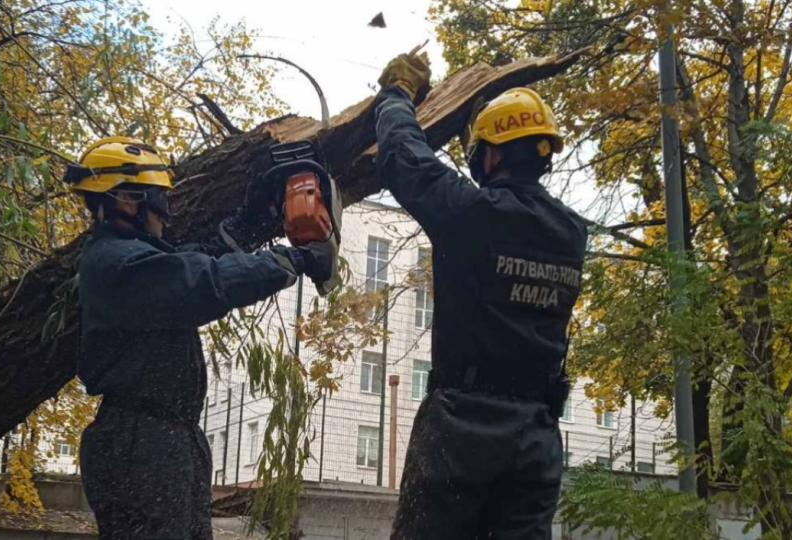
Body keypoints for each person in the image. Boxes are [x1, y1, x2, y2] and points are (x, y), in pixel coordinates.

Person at [65, 137, 335, 540]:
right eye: (159, 198)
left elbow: (201, 258)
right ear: (125, 198)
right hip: (142, 444)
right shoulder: (118, 264)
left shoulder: (133, 257)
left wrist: (250, 221)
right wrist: (290, 261)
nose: (165, 212)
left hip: (164, 439)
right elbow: (203, 281)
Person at [375, 53, 588, 540]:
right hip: (536, 436)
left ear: (489, 156)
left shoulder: (468, 213)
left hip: (461, 427)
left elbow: (404, 156)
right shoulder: (573, 234)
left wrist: (396, 94)